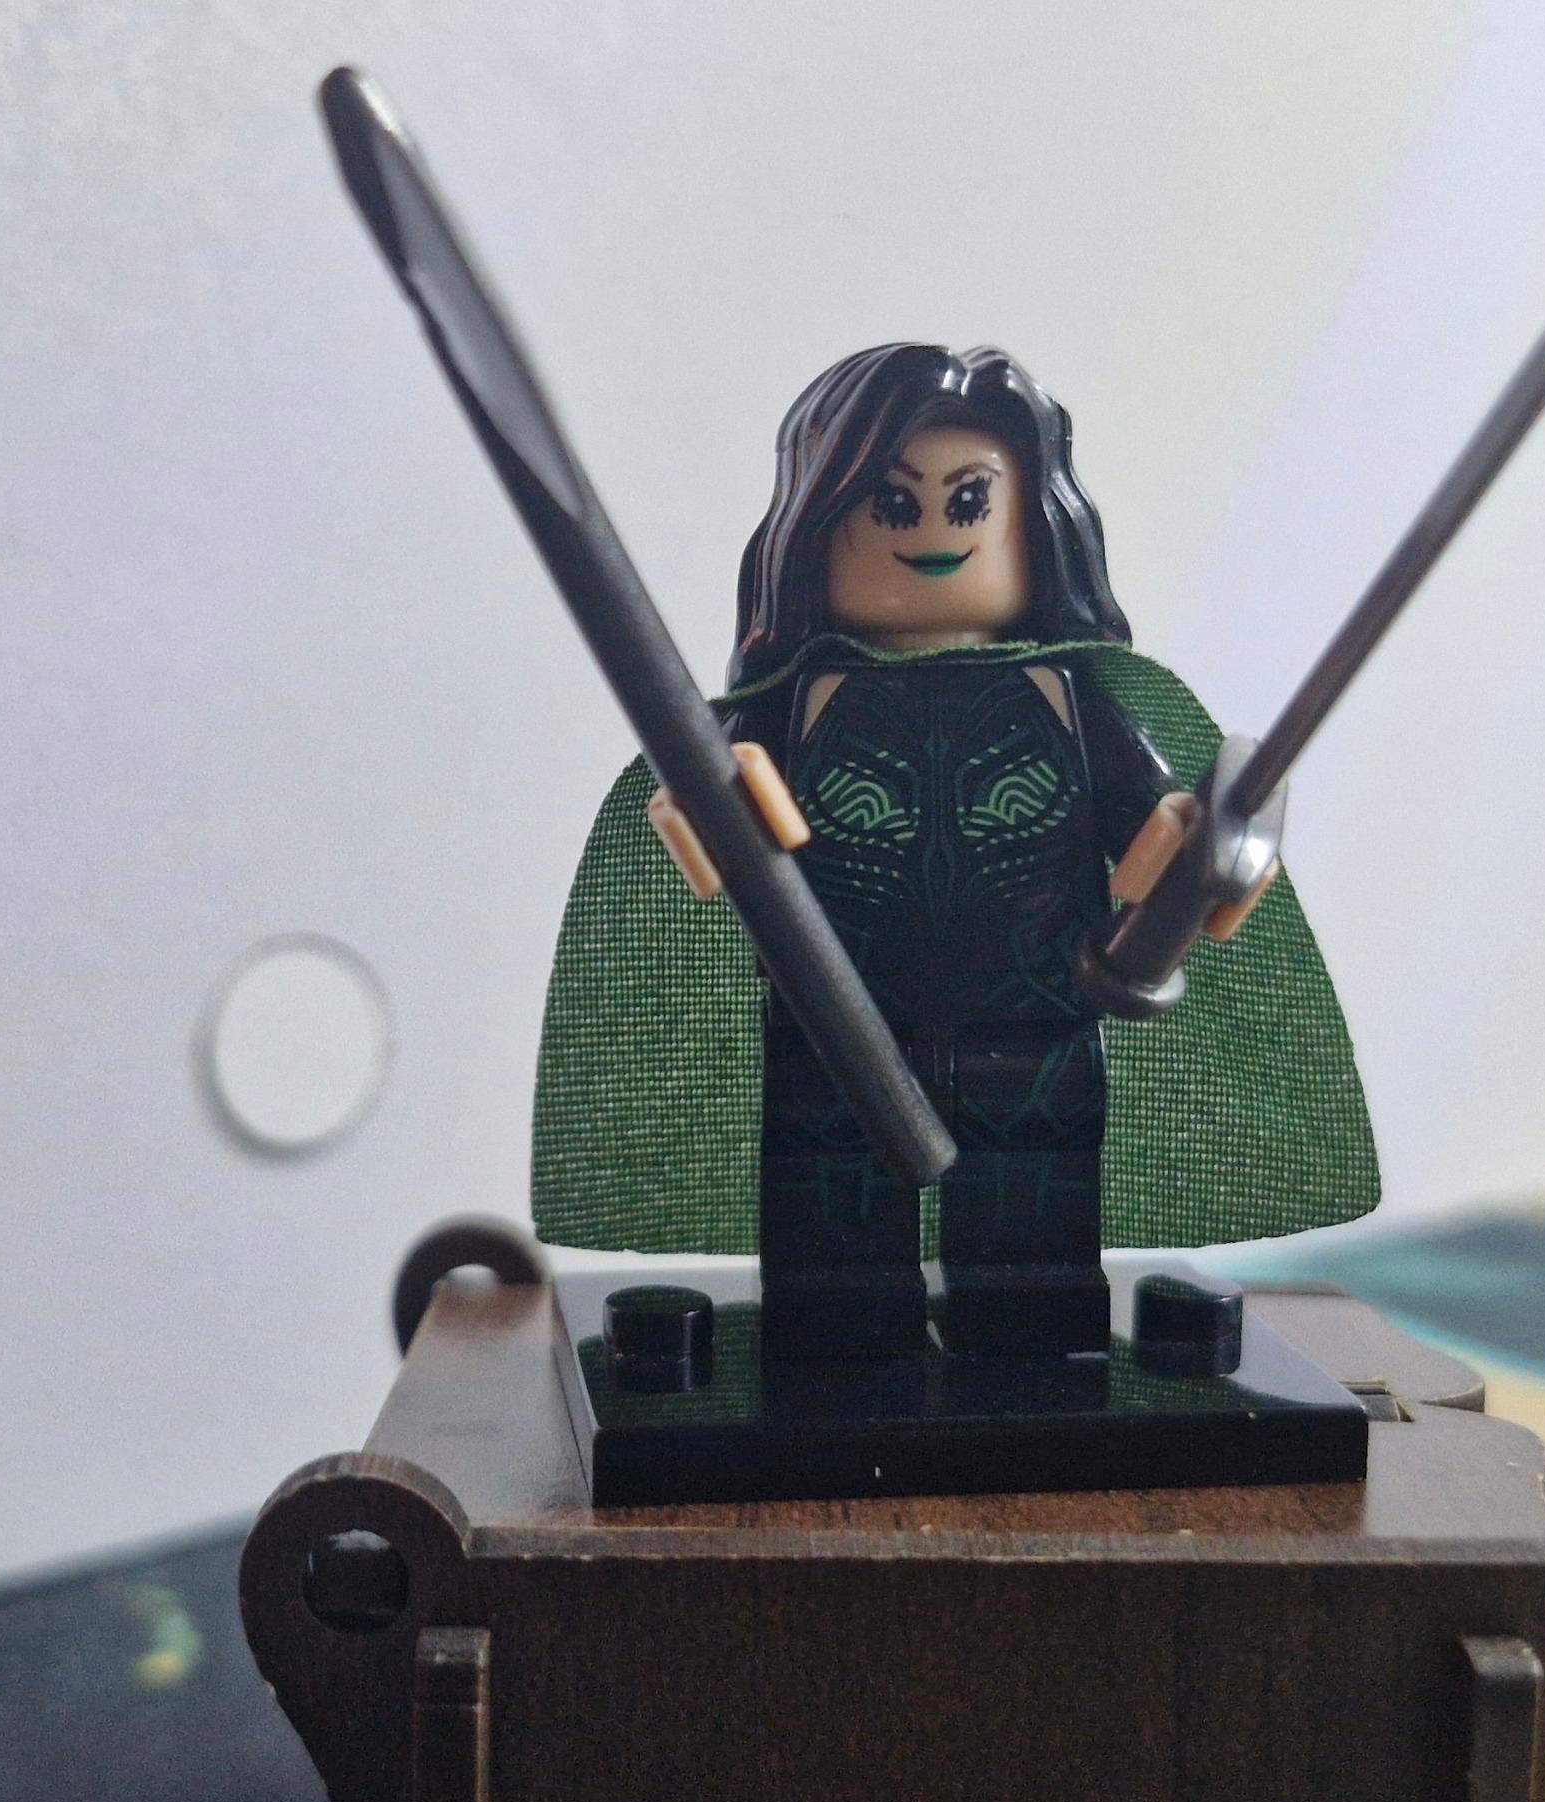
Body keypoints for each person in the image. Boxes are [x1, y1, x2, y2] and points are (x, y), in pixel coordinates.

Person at [532, 344, 1376, 1359]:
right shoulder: (788, 709)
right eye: (892, 504)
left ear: (1033, 524)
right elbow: (695, 821)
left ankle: (1033, 1362)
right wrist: (708, 809)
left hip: (1036, 1028)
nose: (933, 531)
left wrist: (1198, 861)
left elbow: (1169, 832)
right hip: (831, 1030)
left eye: (969, 500)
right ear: (820, 527)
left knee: (1031, 1264)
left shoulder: (1073, 701)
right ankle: (836, 1362)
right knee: (832, 1274)